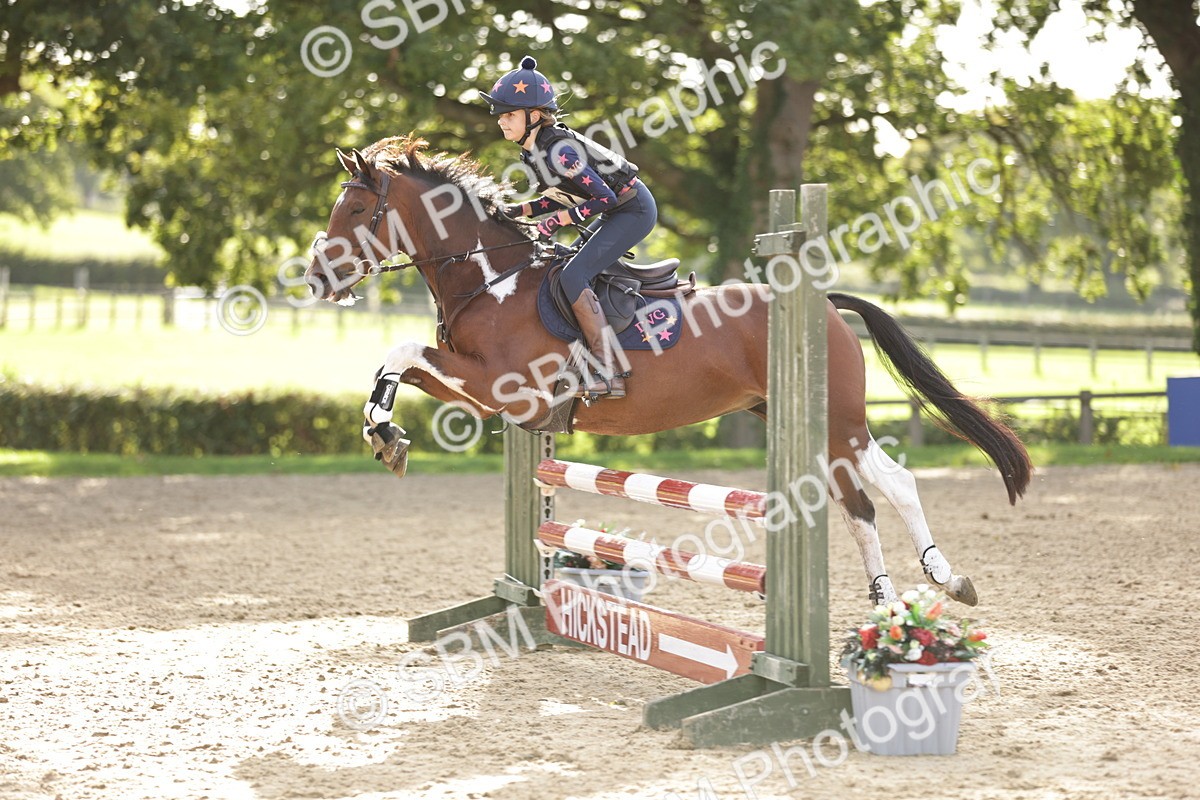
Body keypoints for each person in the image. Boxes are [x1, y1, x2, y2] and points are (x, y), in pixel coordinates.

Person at [480, 55, 658, 400]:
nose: (502, 122)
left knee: (573, 276)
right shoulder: (532, 152)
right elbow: (563, 198)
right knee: (561, 268)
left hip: (633, 210)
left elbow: (603, 198)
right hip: (617, 208)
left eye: (509, 114)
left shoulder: (559, 150)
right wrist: (517, 211)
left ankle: (609, 374)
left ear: (534, 116)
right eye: (501, 115)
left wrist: (555, 222)